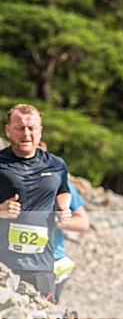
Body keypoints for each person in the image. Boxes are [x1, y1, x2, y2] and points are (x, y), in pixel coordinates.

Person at [0, 104, 72, 301]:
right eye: (20, 128)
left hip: (41, 263)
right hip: (3, 263)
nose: (26, 134)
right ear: (8, 130)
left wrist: (63, 207)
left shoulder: (57, 165)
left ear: (40, 130)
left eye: (31, 128)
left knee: (43, 314)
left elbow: (63, 191)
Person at [36, 141, 91, 304]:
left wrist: (50, 222)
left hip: (53, 261)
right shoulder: (8, 177)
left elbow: (83, 222)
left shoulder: (60, 182)